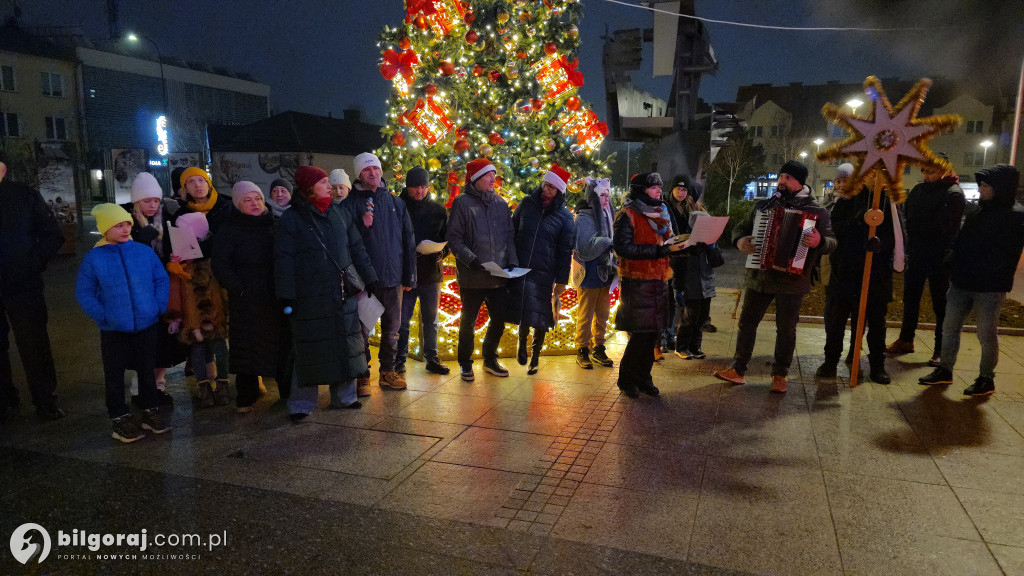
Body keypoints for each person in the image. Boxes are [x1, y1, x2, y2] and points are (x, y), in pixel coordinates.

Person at [715, 160, 836, 393]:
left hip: (793, 281)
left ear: (800, 181)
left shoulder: (816, 211)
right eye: (781, 176)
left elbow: (832, 242)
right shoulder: (764, 206)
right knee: (747, 323)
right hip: (760, 276)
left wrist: (820, 241)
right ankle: (738, 369)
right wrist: (740, 241)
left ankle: (780, 375)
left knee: (786, 329)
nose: (781, 181)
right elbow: (741, 228)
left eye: (787, 177)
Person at [275, 165, 377, 422]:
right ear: (309, 187)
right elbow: (283, 260)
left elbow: (356, 248)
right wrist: (287, 294)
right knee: (309, 349)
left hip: (342, 293)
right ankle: (301, 403)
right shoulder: (292, 219)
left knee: (345, 343)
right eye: (322, 182)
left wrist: (371, 279)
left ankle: (345, 397)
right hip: (309, 295)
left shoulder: (339, 214)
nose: (328, 186)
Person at [919, 165, 1024, 395]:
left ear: (1000, 188)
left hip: (989, 287)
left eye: (986, 185)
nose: (981, 188)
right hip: (961, 282)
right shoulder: (978, 210)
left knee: (986, 334)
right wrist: (951, 259)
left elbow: (1006, 254)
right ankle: (945, 370)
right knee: (949, 328)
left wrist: (974, 265)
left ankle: (986, 378)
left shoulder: (1015, 216)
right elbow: (961, 239)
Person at [75, 203, 171, 442]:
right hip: (114, 328)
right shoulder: (95, 258)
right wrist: (103, 316)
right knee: (114, 374)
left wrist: (157, 306)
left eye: (127, 223)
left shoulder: (142, 251)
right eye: (118, 225)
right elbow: (85, 292)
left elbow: (160, 279)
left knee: (146, 369)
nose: (125, 228)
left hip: (146, 324)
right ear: (105, 229)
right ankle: (119, 417)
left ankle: (150, 409)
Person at [339, 153, 416, 393]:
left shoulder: (395, 203)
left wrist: (409, 275)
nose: (372, 173)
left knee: (392, 330)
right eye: (366, 170)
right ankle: (363, 374)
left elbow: (408, 239)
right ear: (358, 175)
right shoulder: (349, 205)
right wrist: (362, 224)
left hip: (392, 278)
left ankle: (387, 372)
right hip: (364, 281)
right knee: (361, 331)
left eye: (375, 169)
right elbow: (344, 242)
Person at [0, 151, 66, 422]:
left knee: (33, 344)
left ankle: (45, 400)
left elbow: (53, 235)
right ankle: (4, 398)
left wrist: (32, 263)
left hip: (23, 284)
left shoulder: (23, 196)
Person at [816, 172, 895, 384]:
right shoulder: (846, 202)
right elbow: (835, 231)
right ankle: (830, 361)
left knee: (877, 323)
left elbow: (896, 235)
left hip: (875, 274)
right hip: (845, 272)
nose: (875, 180)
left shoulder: (889, 204)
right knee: (836, 321)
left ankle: (877, 365)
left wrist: (881, 243)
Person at [886, 160, 965, 365]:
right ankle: (906, 339)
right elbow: (908, 218)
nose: (927, 175)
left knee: (941, 304)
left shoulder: (953, 193)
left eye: (931, 171)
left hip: (940, 257)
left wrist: (923, 228)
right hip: (917, 253)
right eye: (925, 171)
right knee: (910, 299)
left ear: (943, 170)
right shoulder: (919, 189)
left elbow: (947, 227)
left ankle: (941, 348)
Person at [613, 172, 684, 397]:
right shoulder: (628, 214)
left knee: (654, 334)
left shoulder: (661, 212)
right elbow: (623, 248)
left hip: (659, 280)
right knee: (641, 334)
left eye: (659, 187)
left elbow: (668, 240)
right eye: (654, 187)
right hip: (637, 282)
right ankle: (627, 379)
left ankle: (644, 378)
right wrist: (658, 250)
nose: (658, 191)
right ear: (641, 189)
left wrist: (680, 246)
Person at [446, 158, 518, 382]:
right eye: (488, 175)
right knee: (468, 321)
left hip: (498, 276)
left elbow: (509, 237)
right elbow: (454, 238)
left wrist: (512, 263)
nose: (493, 179)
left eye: (494, 175)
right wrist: (471, 260)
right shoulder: (462, 203)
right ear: (476, 178)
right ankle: (465, 363)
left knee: (499, 319)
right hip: (472, 276)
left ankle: (489, 358)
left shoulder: (500, 204)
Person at [212, 182, 281, 413]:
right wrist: (238, 288)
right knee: (246, 348)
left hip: (273, 295)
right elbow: (221, 264)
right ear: (238, 204)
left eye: (258, 199)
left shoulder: (274, 225)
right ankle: (246, 394)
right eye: (247, 200)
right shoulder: (230, 229)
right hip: (246, 297)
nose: (254, 204)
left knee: (278, 343)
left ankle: (286, 392)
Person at [508, 164, 575, 375]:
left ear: (559, 192)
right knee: (522, 308)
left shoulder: (564, 217)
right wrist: (509, 260)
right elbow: (512, 229)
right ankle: (522, 342)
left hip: (545, 271)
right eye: (545, 185)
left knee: (540, 315)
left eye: (551, 188)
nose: (546, 190)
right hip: (521, 267)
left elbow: (565, 250)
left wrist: (562, 279)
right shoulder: (527, 203)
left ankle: (535, 356)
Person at [125, 172, 183, 405]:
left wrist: (174, 259)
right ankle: (140, 389)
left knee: (164, 343)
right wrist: (143, 238)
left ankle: (158, 386)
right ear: (136, 201)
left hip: (163, 291)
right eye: (146, 200)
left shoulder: (166, 222)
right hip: (138, 295)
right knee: (142, 344)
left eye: (156, 200)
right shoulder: (127, 223)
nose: (152, 205)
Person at [164, 212, 230, 407]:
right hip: (192, 315)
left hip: (215, 313)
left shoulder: (214, 253)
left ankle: (222, 386)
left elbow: (223, 284)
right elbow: (175, 287)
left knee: (220, 349)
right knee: (198, 352)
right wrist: (175, 316)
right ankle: (204, 389)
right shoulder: (181, 258)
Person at [396, 167, 450, 376]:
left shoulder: (438, 210)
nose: (419, 192)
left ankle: (432, 358)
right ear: (407, 187)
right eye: (415, 188)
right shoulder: (399, 207)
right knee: (403, 319)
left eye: (423, 187)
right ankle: (400, 359)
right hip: (406, 273)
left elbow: (447, 238)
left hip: (430, 272)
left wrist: (441, 252)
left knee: (431, 319)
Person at [572, 177, 616, 369]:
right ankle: (582, 348)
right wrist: (606, 242)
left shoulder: (608, 215)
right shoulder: (583, 218)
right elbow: (583, 248)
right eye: (601, 195)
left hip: (606, 271)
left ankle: (599, 346)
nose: (605, 199)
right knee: (586, 312)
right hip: (589, 272)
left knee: (603, 312)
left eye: (607, 195)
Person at [663, 175, 708, 357]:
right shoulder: (667, 207)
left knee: (685, 301)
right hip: (673, 258)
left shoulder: (694, 207)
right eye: (678, 189)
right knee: (671, 300)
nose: (680, 193)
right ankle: (668, 335)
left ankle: (680, 338)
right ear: (672, 189)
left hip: (689, 259)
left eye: (684, 190)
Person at [674, 210, 724, 360]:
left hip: (706, 284)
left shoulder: (710, 242)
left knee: (702, 318)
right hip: (691, 285)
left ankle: (695, 346)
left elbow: (718, 262)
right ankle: (681, 347)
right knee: (690, 317)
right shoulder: (685, 242)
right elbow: (677, 266)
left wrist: (710, 248)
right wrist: (679, 287)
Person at [178, 167, 233, 236]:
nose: (198, 185)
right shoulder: (183, 213)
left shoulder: (228, 207)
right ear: (186, 189)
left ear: (208, 184)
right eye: (191, 182)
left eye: (201, 180)